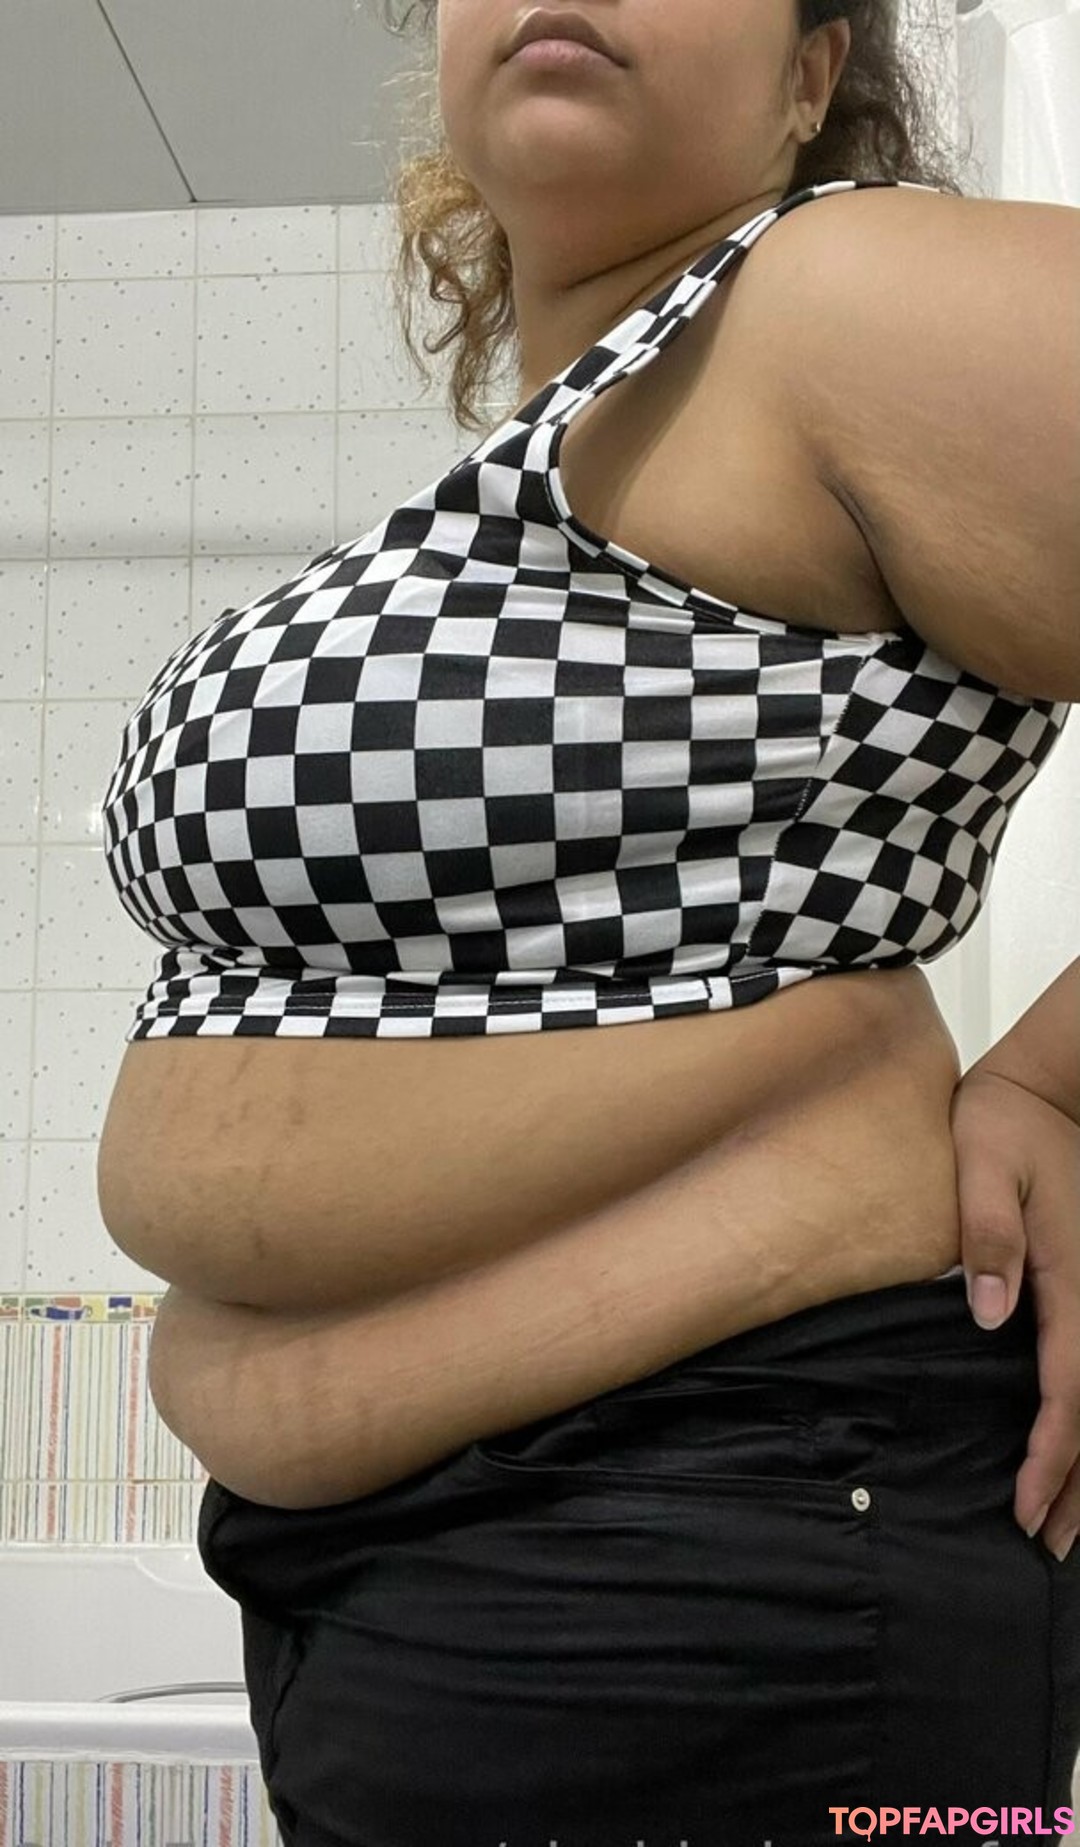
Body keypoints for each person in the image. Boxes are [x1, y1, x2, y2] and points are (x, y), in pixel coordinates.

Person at [96, 0, 1080, 1839]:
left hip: (720, 1525)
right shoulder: (562, 460)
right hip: (438, 1579)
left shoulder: (831, 293)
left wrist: (1061, 1084)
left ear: (810, 78)